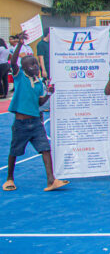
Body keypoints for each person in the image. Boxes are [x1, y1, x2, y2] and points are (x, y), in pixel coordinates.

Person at [2, 31, 67, 192]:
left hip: (36, 122)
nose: (35, 67)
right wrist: (19, 44)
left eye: (36, 64)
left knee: (45, 148)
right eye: (31, 65)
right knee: (14, 151)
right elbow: (13, 64)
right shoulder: (19, 77)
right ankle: (10, 178)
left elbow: (39, 102)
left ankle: (51, 180)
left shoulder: (39, 84)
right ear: (23, 68)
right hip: (21, 123)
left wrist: (49, 93)